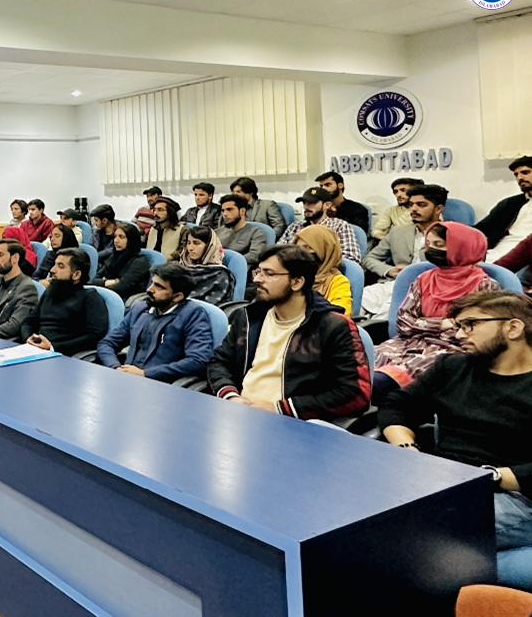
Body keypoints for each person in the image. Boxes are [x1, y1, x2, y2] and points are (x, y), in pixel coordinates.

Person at [378, 291, 532, 592]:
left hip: (516, 496)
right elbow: (397, 405)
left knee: (404, 531)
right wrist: (406, 449)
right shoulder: (453, 368)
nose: (459, 334)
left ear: (513, 328)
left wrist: (491, 477)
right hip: (442, 483)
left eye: (470, 324)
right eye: (458, 326)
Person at [207, 245, 372, 420]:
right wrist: (231, 395)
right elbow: (219, 361)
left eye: (269, 274)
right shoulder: (249, 317)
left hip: (290, 422)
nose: (257, 279)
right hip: (239, 412)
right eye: (258, 272)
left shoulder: (333, 326)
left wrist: (280, 408)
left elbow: (356, 393)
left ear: (297, 282)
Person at [370, 222, 502, 404]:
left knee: (378, 383)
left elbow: (476, 331)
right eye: (429, 244)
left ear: (461, 247)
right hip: (406, 343)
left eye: (439, 245)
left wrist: (423, 325)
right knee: (357, 367)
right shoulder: (424, 278)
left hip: (451, 350)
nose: (431, 249)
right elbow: (403, 321)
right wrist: (441, 324)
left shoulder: (484, 286)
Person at [96, 263, 215, 382]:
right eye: (152, 283)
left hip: (161, 385)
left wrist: (145, 374)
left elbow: (198, 360)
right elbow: (107, 343)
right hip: (126, 379)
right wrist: (115, 367)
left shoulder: (193, 315)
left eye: (159, 287)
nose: (149, 289)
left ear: (177, 296)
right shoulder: (140, 309)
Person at [362, 184, 444, 316]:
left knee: (386, 313)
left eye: (421, 205)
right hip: (393, 283)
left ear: (438, 209)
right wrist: (389, 270)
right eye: (411, 204)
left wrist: (413, 272)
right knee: (357, 299)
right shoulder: (398, 231)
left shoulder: (452, 234)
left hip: (430, 288)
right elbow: (369, 258)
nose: (414, 209)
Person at [22, 248, 108, 355]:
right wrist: (28, 338)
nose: (52, 270)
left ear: (76, 275)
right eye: (55, 264)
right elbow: (29, 321)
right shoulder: (50, 292)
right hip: (35, 349)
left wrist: (53, 347)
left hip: (64, 355)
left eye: (60, 266)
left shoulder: (90, 298)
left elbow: (94, 336)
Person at [279, 186, 362, 262]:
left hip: (324, 270)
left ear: (327, 205)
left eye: (312, 203)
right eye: (304, 202)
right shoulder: (295, 226)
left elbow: (351, 257)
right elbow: (278, 252)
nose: (306, 207)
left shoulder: (340, 226)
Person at [477, 157, 532, 262]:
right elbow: (482, 228)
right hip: (495, 253)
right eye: (516, 175)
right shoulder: (510, 203)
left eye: (525, 172)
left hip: (525, 258)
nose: (520, 177)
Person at [293, 225, 353, 316]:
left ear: (325, 250)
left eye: (308, 247)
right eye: (297, 248)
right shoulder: (290, 276)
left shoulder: (337, 282)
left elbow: (339, 317)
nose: (300, 253)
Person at [179, 226, 236, 305]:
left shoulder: (219, 274)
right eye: (188, 243)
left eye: (196, 243)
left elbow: (211, 305)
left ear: (209, 246)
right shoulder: (181, 268)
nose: (190, 248)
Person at [96, 222, 153, 300]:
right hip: (109, 295)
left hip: (127, 299)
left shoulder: (140, 261)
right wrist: (108, 282)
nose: (116, 241)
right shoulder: (115, 256)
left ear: (131, 240)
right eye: (115, 236)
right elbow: (94, 279)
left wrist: (101, 286)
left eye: (121, 237)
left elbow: (121, 287)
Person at [215, 193, 268, 266]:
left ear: (242, 211)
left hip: (239, 268)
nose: (224, 214)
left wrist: (230, 261)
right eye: (223, 210)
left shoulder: (256, 232)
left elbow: (255, 256)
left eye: (229, 209)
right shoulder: (217, 232)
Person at [145, 196, 183, 261]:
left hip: (170, 263)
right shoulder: (152, 229)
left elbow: (183, 250)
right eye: (154, 210)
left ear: (170, 212)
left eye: (160, 210)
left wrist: (171, 256)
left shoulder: (181, 229)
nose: (155, 213)